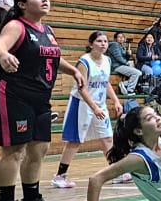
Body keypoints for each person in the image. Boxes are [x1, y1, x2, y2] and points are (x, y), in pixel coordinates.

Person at [0, 0, 85, 201]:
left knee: (39, 148)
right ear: (22, 4)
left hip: (40, 98)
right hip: (14, 95)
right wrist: (4, 56)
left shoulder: (47, 30)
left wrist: (73, 70)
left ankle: (31, 198)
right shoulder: (16, 26)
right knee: (14, 151)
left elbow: (53, 55)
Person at [52, 31, 126, 189]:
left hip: (99, 105)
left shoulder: (107, 60)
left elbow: (105, 82)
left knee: (107, 138)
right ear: (91, 44)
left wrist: (116, 101)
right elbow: (82, 89)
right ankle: (60, 175)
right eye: (99, 41)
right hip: (82, 104)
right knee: (75, 141)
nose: (103, 44)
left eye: (105, 41)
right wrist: (94, 107)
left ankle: (116, 172)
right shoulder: (84, 62)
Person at [106, 31, 141, 96]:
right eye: (119, 37)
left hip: (120, 65)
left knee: (138, 72)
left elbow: (125, 58)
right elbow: (118, 57)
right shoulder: (115, 45)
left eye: (122, 37)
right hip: (116, 66)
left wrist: (128, 54)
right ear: (115, 39)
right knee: (137, 73)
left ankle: (124, 84)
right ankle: (130, 90)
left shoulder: (122, 46)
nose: (121, 38)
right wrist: (127, 63)